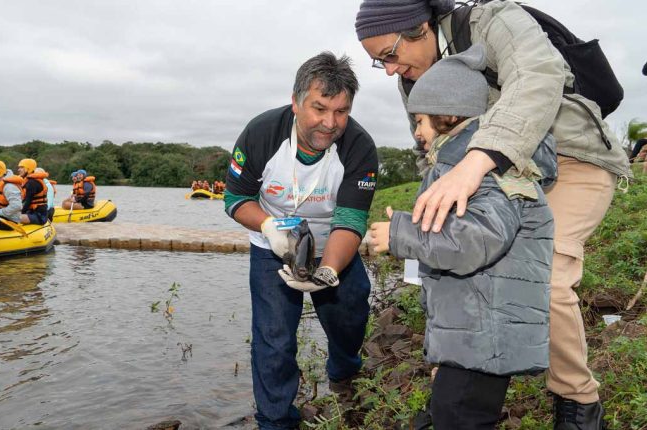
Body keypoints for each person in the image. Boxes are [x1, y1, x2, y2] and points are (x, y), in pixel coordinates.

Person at [354, 1, 631, 427]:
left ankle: (577, 401)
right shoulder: (414, 75)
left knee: (546, 275)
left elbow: (538, 75)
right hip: (496, 171)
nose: (390, 70)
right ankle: (461, 390)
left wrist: (478, 159)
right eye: (378, 63)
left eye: (390, 54)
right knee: (465, 272)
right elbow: (433, 153)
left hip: (574, 160)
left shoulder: (492, 20)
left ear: (421, 27)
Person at [370, 44, 555, 429]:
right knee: (449, 414)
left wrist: (401, 234)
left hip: (486, 337)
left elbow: (477, 240)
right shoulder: (458, 168)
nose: (417, 133)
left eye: (419, 121)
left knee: (458, 417)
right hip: (474, 335)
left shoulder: (488, 171)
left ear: (448, 115)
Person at [224, 52, 378, 429]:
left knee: (351, 316)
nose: (329, 123)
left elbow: (351, 221)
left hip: (334, 247)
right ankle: (275, 420)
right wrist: (267, 228)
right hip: (272, 248)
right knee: (274, 338)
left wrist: (326, 271)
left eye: (341, 111)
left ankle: (343, 371)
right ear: (296, 102)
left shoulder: (360, 147)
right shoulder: (262, 133)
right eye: (319, 108)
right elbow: (235, 200)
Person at [16, 159, 49, 225]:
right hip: (31, 212)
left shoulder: (32, 183)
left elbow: (27, 202)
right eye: (19, 167)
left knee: (12, 217)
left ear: (28, 169)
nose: (18, 170)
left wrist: (17, 213)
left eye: (22, 167)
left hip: (39, 216)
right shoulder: (28, 181)